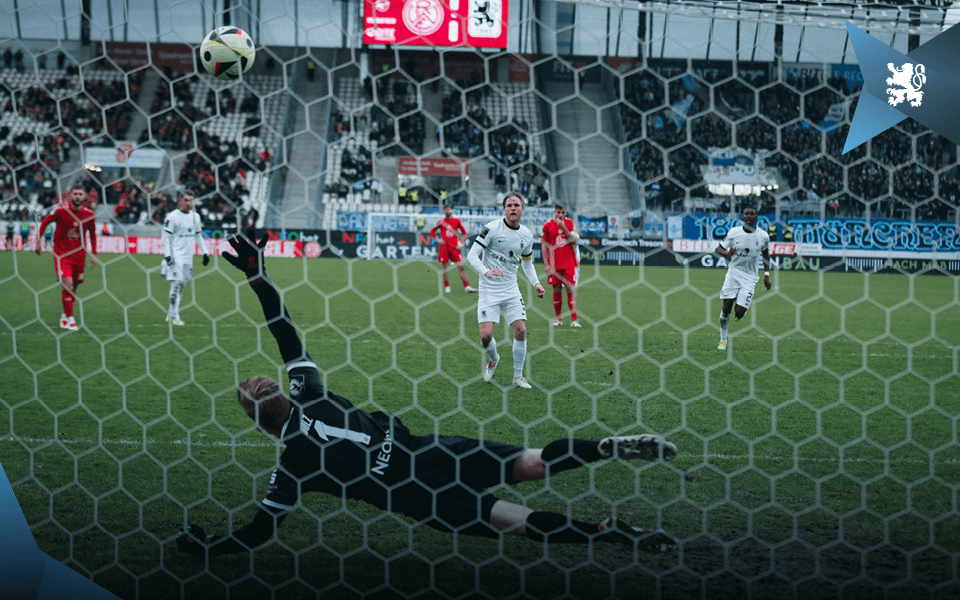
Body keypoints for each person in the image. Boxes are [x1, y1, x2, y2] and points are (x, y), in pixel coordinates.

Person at [174, 229, 678, 558]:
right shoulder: (292, 467)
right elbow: (261, 530)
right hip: (421, 496)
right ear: (259, 420)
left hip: (429, 450)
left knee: (535, 461)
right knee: (517, 520)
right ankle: (605, 531)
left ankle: (608, 448)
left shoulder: (304, 391)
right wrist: (210, 547)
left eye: (255, 380)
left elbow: (284, 331)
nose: (253, 384)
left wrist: (259, 278)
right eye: (248, 395)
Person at [466, 192, 545, 389]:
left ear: (522, 209)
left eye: (516, 205)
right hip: (488, 290)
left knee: (521, 331)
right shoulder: (491, 229)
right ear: (504, 209)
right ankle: (493, 358)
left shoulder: (526, 235)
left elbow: (527, 263)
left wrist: (536, 283)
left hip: (511, 290)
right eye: (509, 205)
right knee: (485, 337)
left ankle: (518, 377)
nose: (512, 208)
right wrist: (485, 272)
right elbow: (472, 255)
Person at [34, 185, 98, 331]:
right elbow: (45, 222)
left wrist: (94, 254)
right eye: (75, 194)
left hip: (79, 256)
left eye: (80, 194)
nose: (77, 196)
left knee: (74, 286)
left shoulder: (89, 215)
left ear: (85, 197)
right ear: (70, 195)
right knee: (67, 284)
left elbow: (93, 235)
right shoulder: (61, 211)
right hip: (62, 255)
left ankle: (65, 314)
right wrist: (39, 239)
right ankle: (71, 319)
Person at [714, 207, 771, 351]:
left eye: (752, 214)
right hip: (733, 273)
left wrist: (767, 275)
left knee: (738, 313)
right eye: (746, 214)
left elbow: (766, 255)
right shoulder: (734, 232)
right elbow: (718, 249)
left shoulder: (763, 236)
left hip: (750, 277)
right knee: (726, 308)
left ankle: (741, 303)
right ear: (743, 217)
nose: (749, 216)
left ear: (757, 217)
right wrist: (727, 253)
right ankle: (723, 340)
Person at [161, 188, 209, 326]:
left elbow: (198, 235)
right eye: (186, 200)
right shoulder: (172, 217)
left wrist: (204, 252)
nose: (189, 203)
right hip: (176, 257)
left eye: (191, 200)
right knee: (176, 285)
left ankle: (171, 314)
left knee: (181, 286)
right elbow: (166, 237)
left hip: (188, 258)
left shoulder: (196, 217)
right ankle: (175, 315)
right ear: (180, 200)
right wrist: (168, 255)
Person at [541, 204, 581, 327]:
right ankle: (558, 319)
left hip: (568, 262)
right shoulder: (547, 225)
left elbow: (573, 240)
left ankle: (574, 320)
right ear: (554, 211)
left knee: (570, 289)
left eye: (563, 212)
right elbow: (544, 245)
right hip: (554, 263)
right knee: (556, 289)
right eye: (559, 212)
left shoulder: (569, 223)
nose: (561, 215)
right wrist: (546, 264)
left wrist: (563, 227)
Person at [429, 204, 477, 294]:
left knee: (461, 266)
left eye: (448, 209)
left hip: (454, 247)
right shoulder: (440, 221)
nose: (447, 211)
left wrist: (461, 243)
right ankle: (447, 286)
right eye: (445, 209)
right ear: (444, 211)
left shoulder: (456, 220)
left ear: (451, 210)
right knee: (444, 268)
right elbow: (432, 231)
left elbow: (464, 233)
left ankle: (467, 286)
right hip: (444, 248)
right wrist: (438, 240)